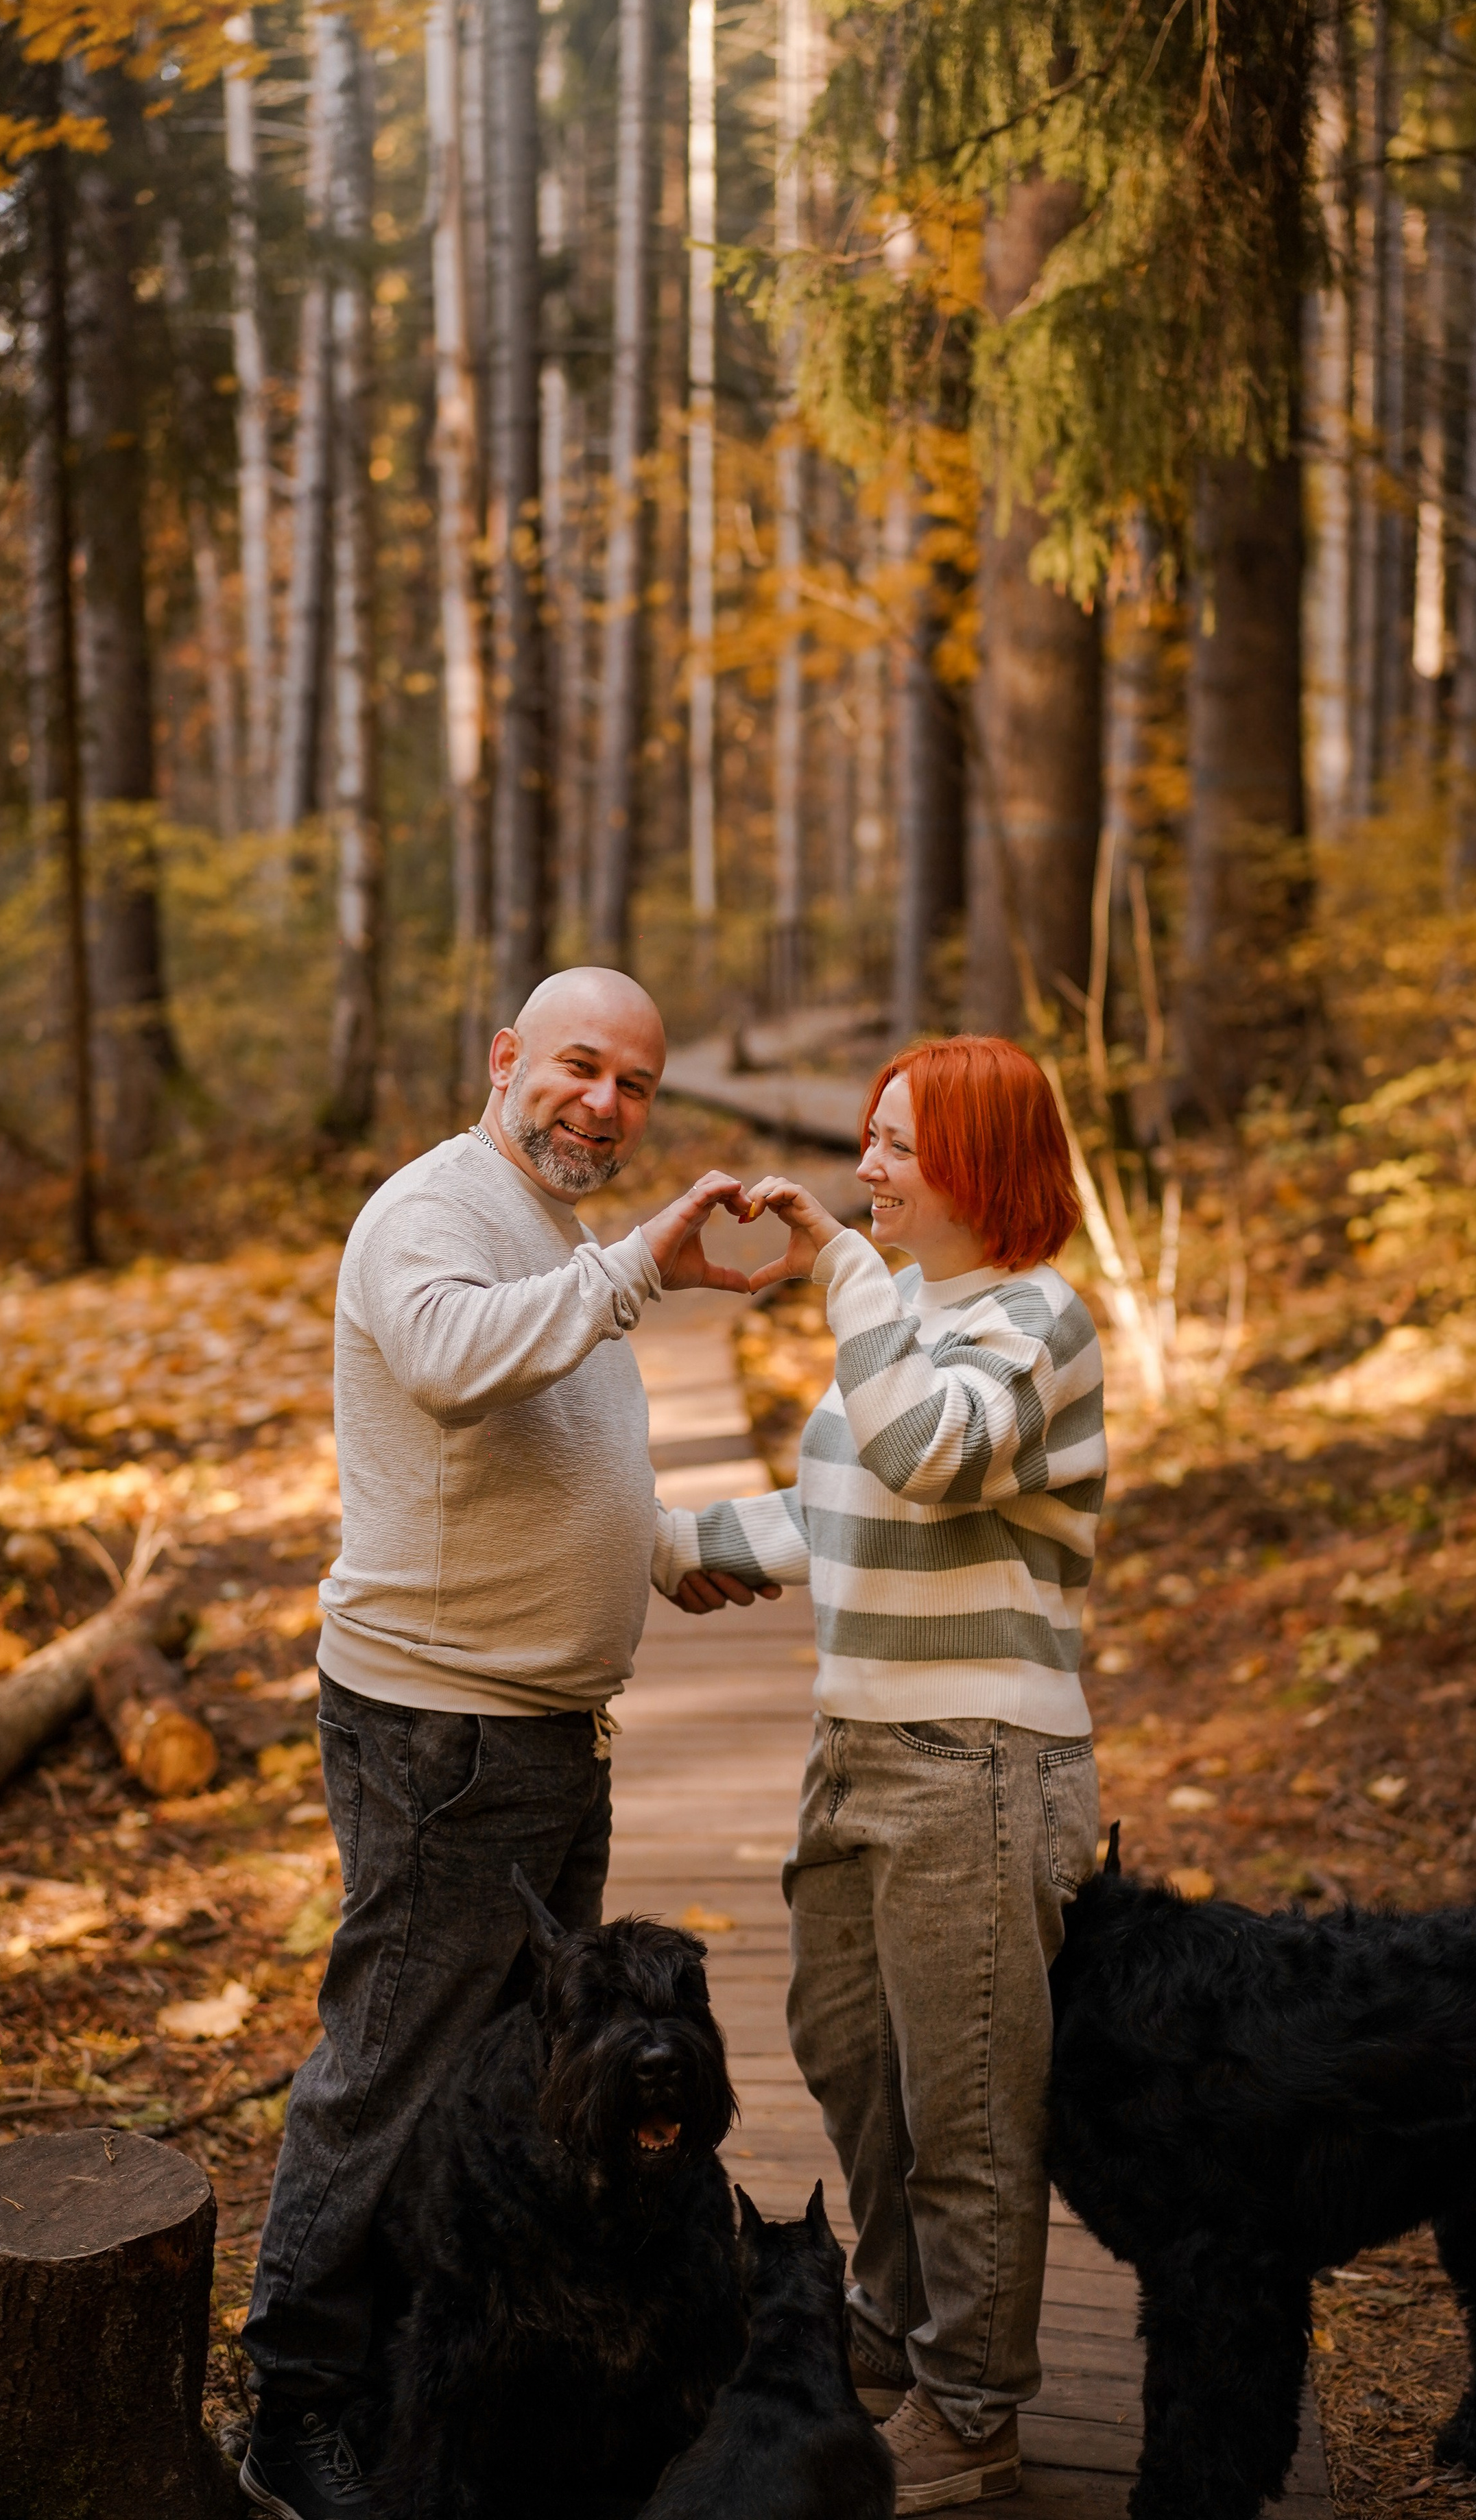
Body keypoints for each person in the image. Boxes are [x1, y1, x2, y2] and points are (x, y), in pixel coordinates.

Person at [240, 967, 767, 2520]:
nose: (604, 1105)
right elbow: (456, 1366)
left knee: (510, 2067)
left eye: (634, 1087)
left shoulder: (546, 1238)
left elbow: (540, 1450)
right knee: (390, 2064)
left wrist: (657, 1546)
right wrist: (639, 1271)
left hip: (538, 1727)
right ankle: (294, 2396)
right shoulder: (433, 1215)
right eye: (580, 1069)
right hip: (440, 1732)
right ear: (504, 1061)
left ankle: (432, 2349)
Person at [657, 1035, 1106, 2517]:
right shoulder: (907, 1311)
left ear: (981, 1161)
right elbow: (844, 1503)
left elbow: (927, 1456)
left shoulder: (1038, 1320)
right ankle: (892, 2332)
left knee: (965, 2106)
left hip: (976, 1763)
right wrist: (675, 1543)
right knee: (854, 2068)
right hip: (853, 1752)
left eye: (896, 1147)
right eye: (866, 1139)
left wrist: (843, 1278)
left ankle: (970, 2410)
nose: (863, 1172)